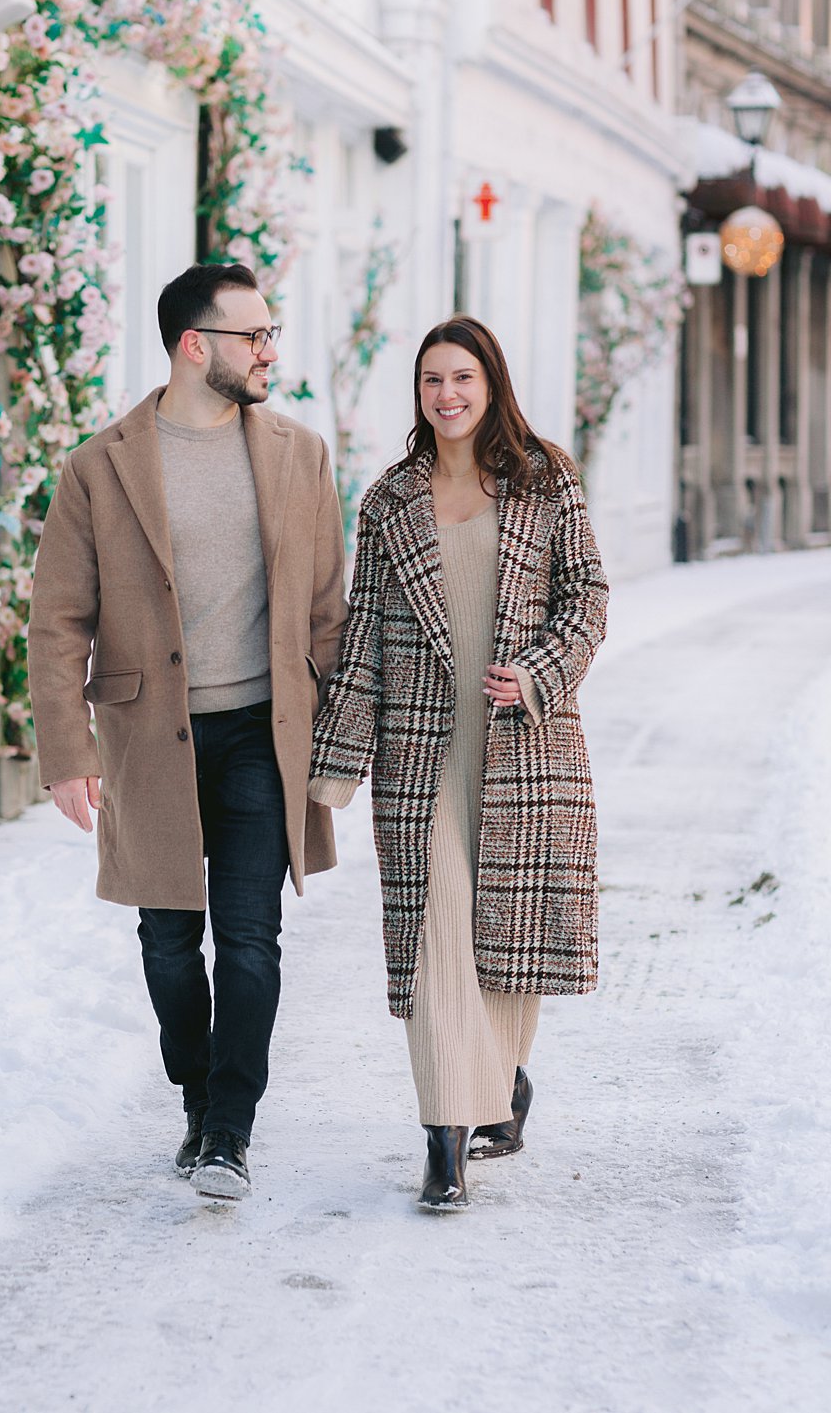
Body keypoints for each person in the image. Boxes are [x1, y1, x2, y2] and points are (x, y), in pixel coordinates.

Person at [28, 261, 349, 1201]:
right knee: (170, 944)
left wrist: (337, 738)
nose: (270, 351)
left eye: (272, 332)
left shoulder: (300, 453)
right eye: (255, 335)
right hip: (146, 737)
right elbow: (58, 622)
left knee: (251, 939)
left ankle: (229, 1132)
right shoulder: (100, 466)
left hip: (262, 732)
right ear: (194, 345)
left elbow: (328, 612)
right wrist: (66, 755)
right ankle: (198, 1096)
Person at [308, 316, 607, 1212]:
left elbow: (587, 597)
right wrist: (336, 763)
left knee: (505, 940)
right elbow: (361, 638)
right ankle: (444, 1140)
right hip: (422, 755)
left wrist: (542, 671)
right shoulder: (388, 501)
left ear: (492, 383)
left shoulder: (545, 480)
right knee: (439, 930)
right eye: (433, 379)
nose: (447, 395)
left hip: (524, 746)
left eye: (463, 377)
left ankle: (504, 1079)